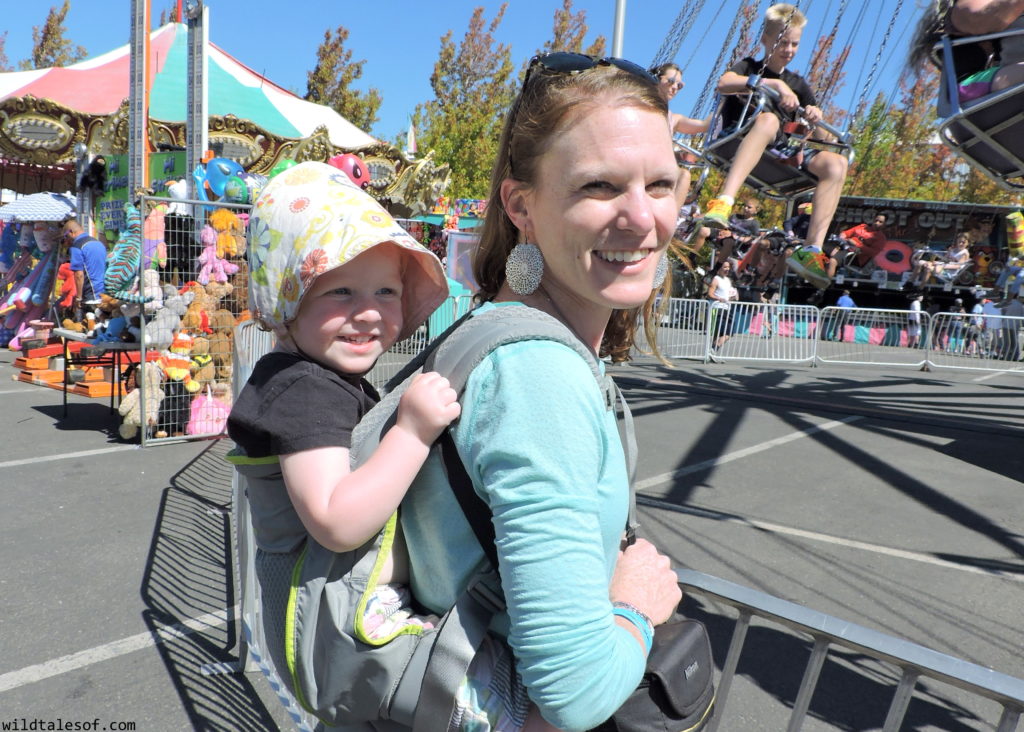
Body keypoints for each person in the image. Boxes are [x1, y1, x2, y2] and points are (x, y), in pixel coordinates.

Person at [398, 53, 684, 730]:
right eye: (600, 186)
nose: (643, 218)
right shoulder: (538, 376)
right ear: (521, 206)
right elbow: (574, 689)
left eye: (663, 183)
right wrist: (639, 602)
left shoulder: (489, 333)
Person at [228, 164, 557, 726]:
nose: (369, 311)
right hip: (329, 626)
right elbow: (336, 518)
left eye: (386, 290)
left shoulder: (318, 374)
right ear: (289, 300)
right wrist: (411, 432)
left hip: (337, 611)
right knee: (512, 713)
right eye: (339, 292)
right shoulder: (305, 389)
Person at [700, 3, 849, 292]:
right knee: (768, 119)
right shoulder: (749, 66)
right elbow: (724, 83)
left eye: (794, 43)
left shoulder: (799, 83)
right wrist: (774, 86)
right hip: (741, 135)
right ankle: (724, 201)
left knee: (837, 164)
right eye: (782, 42)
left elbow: (822, 133)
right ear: (766, 40)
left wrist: (815, 118)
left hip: (779, 149)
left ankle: (811, 250)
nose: (789, 49)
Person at [652, 62, 710, 206]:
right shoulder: (639, 105)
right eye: (671, 81)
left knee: (684, 176)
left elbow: (703, 126)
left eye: (679, 85)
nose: (675, 88)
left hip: (658, 168)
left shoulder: (673, 118)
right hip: (636, 159)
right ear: (657, 78)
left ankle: (670, 223)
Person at [62, 219, 107, 316]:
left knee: (88, 325)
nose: (66, 240)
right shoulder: (98, 243)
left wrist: (78, 298)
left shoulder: (77, 247)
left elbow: (79, 275)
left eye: (65, 236)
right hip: (104, 294)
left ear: (71, 232)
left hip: (90, 296)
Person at [708, 259, 739, 354]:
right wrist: (719, 299)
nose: (727, 269)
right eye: (725, 267)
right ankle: (714, 349)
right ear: (719, 268)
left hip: (727, 308)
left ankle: (712, 351)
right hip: (718, 308)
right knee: (722, 333)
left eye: (728, 267)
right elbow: (710, 294)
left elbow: (730, 295)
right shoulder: (716, 279)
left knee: (727, 333)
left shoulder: (728, 280)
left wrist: (734, 297)